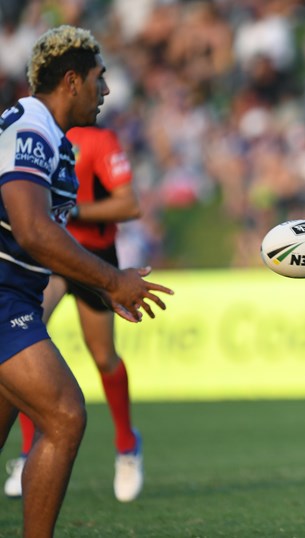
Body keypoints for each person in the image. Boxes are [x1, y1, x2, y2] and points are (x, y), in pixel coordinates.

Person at [0, 25, 172, 536]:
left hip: (17, 292)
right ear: (71, 81)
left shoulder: (56, 138)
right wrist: (113, 280)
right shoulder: (32, 130)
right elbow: (32, 231)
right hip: (4, 295)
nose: (107, 90)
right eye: (99, 79)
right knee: (66, 416)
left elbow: (44, 235)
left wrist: (100, 287)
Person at [4, 125, 145, 503]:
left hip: (94, 259)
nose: (103, 92)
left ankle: (127, 445)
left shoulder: (99, 140)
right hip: (51, 257)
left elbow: (130, 205)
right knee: (23, 342)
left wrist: (71, 209)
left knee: (103, 356)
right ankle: (27, 451)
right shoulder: (33, 134)